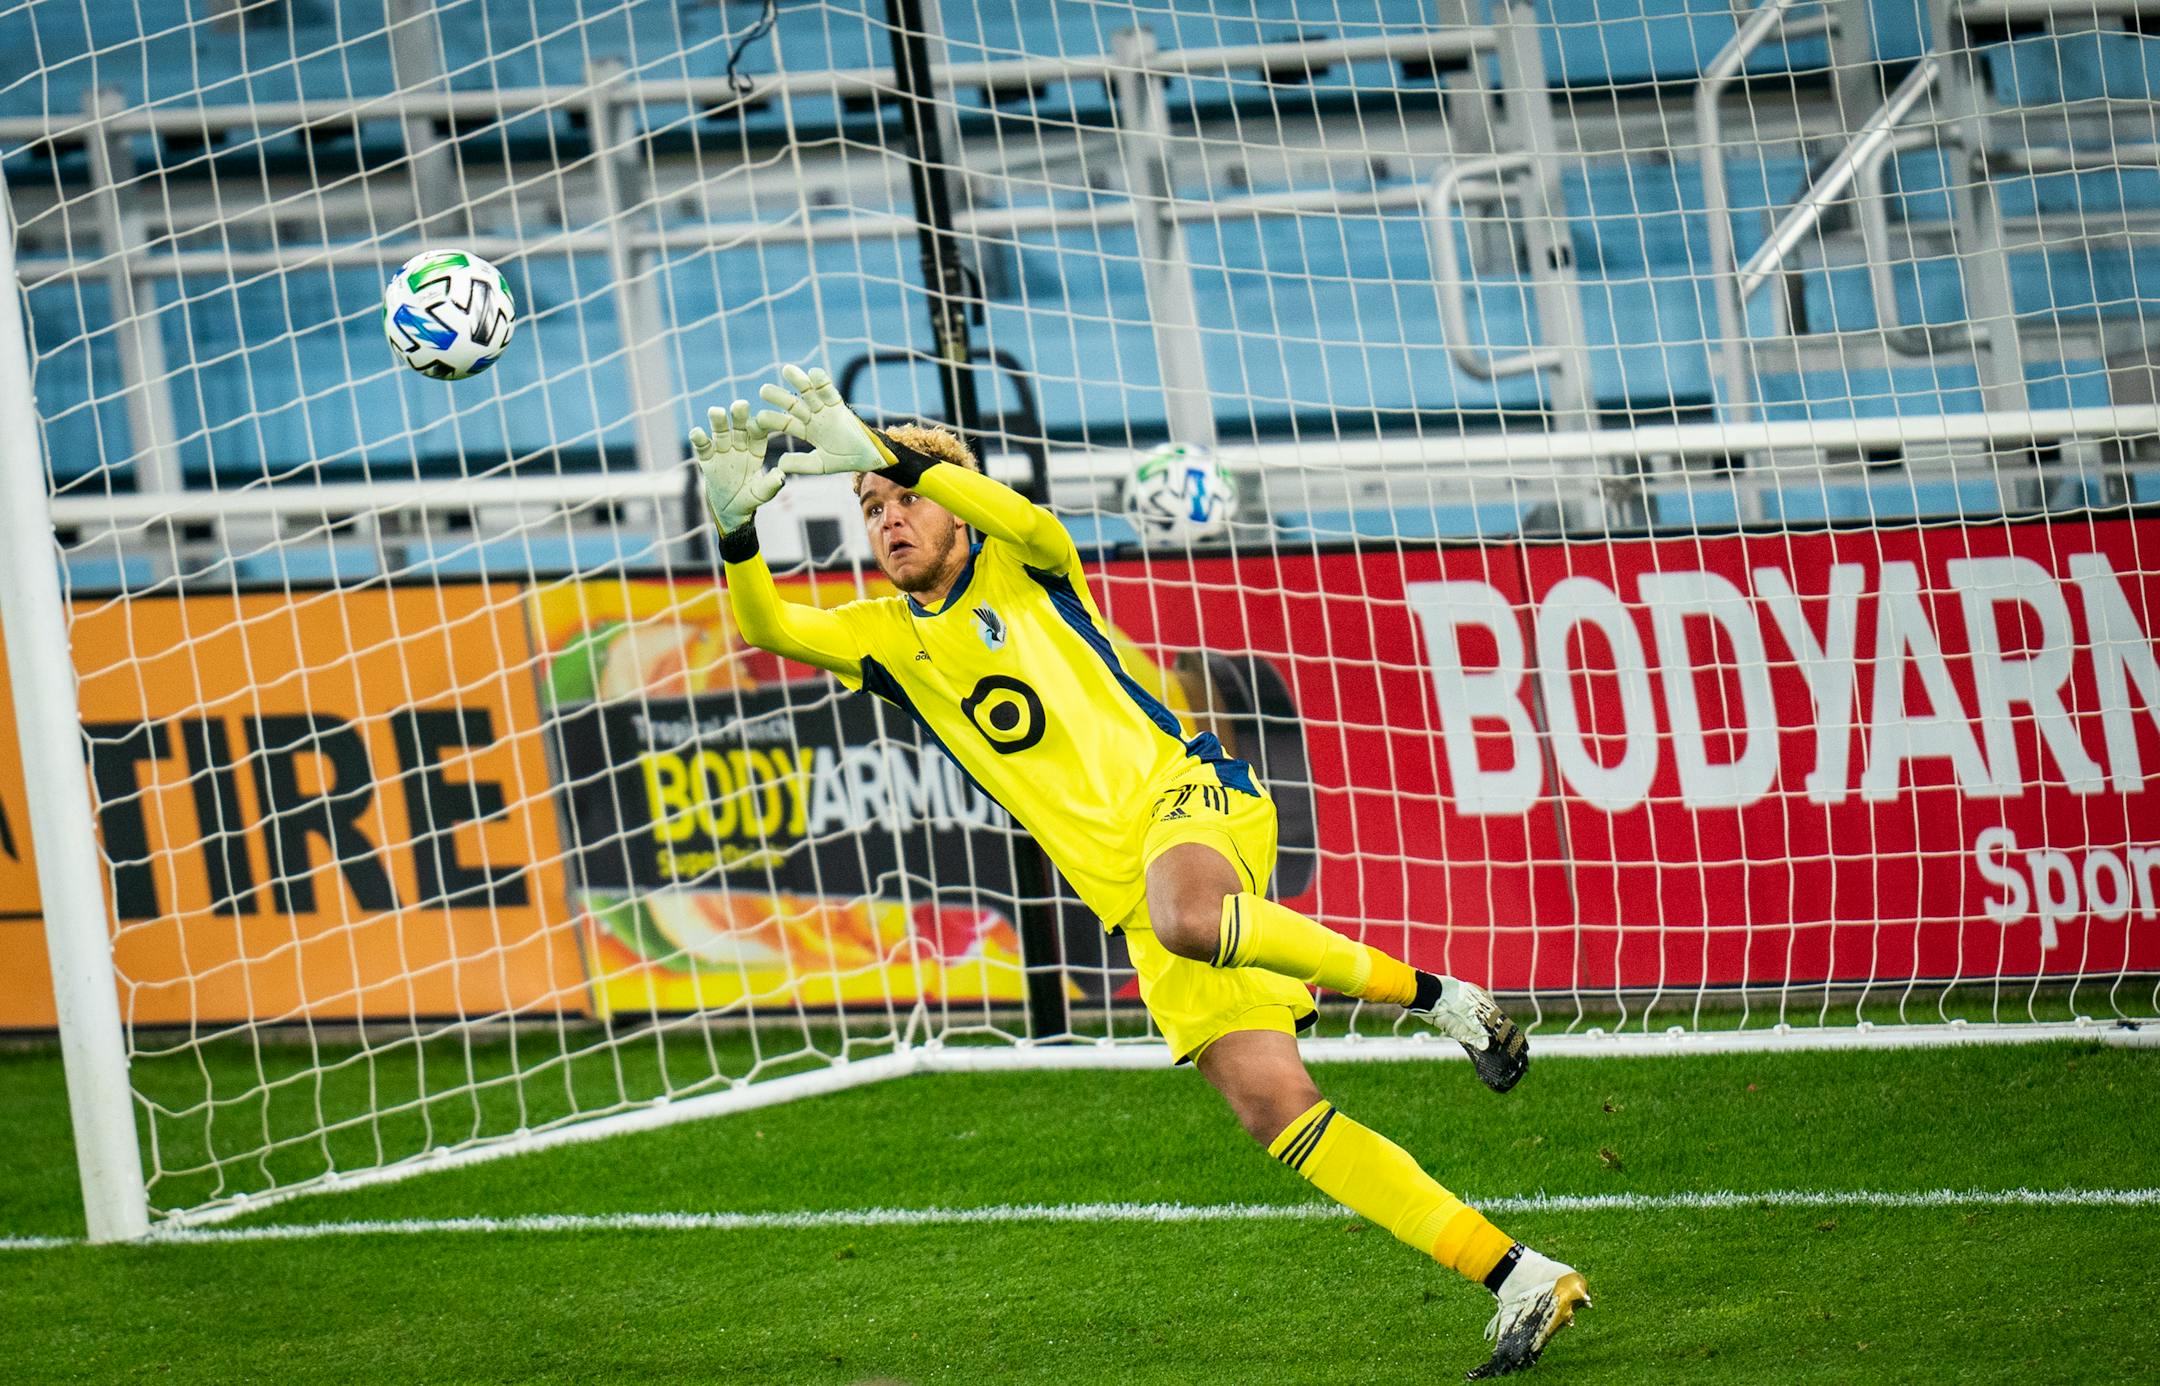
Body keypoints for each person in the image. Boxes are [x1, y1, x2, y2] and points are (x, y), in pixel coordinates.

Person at [694, 365, 1590, 1378]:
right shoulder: (887, 640)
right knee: (1275, 1109)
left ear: (949, 505)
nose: (890, 520)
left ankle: (1444, 1001)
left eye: (904, 501)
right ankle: (1521, 1276)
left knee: (1190, 914)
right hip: (1124, 892)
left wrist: (898, 457)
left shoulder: (1024, 562)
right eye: (871, 508)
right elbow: (769, 627)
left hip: (1188, 795)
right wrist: (735, 533)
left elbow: (1012, 514)